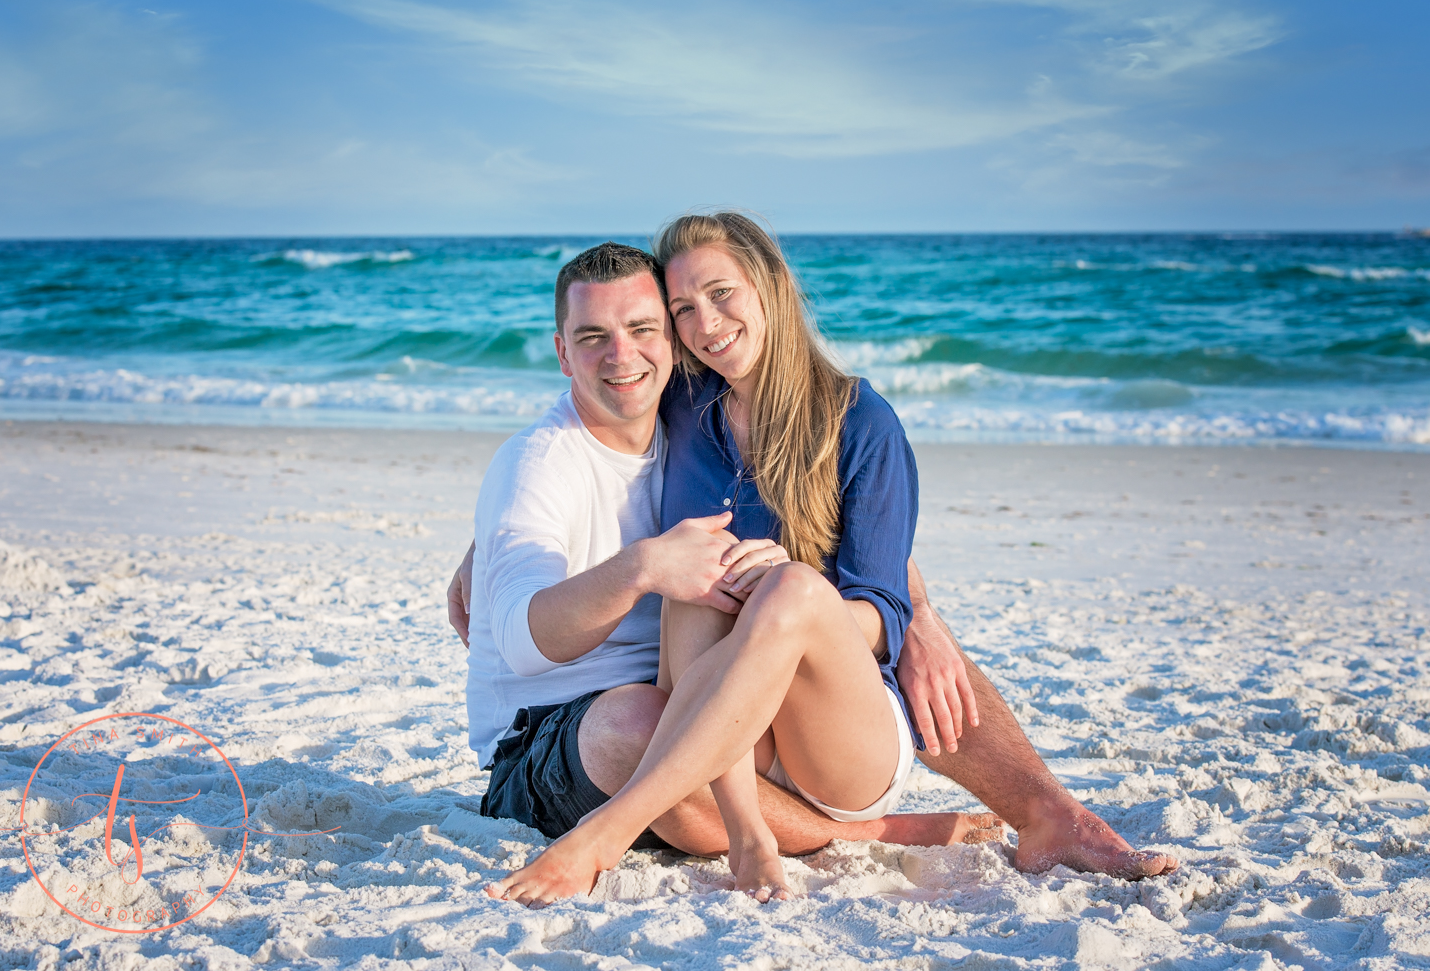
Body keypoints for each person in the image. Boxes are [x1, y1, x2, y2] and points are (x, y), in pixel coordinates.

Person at [476, 214, 1179, 906]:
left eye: (722, 294)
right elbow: (583, 435)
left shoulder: (859, 420)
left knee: (787, 589)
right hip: (737, 734)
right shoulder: (687, 406)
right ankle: (755, 830)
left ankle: (604, 835)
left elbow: (874, 597)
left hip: (837, 735)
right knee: (695, 571)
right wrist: (488, 543)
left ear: (772, 286)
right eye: (684, 307)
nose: (705, 323)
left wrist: (907, 609)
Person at [461, 241, 1000, 898]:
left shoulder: (693, 415)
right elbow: (519, 639)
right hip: (544, 736)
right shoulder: (536, 467)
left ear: (675, 337)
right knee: (653, 725)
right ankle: (870, 833)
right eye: (593, 336)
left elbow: (844, 517)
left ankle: (769, 820)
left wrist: (919, 609)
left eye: (644, 329)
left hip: (700, 694)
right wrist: (640, 567)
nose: (622, 356)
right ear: (561, 351)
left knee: (699, 618)